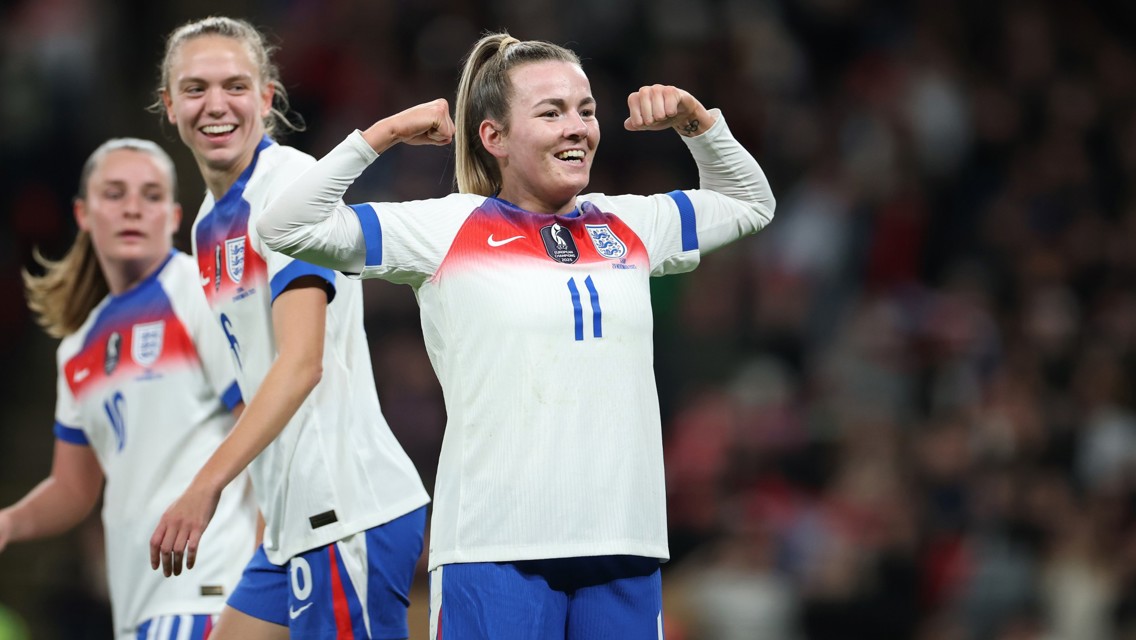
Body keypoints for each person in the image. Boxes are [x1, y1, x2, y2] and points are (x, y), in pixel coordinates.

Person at [257, 32, 776, 640]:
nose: (576, 127)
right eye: (551, 113)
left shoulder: (630, 224)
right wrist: (384, 134)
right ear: (494, 137)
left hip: (624, 544)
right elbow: (285, 226)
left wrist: (696, 122)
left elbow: (751, 203)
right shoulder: (446, 229)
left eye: (585, 110)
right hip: (494, 549)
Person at [146, 16, 430, 640]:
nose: (215, 104)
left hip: (346, 509)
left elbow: (302, 363)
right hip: (291, 524)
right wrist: (264, 510)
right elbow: (256, 380)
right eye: (194, 89)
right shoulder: (206, 224)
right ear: (169, 105)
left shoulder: (291, 189)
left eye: (234, 86)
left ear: (267, 95)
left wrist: (204, 487)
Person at [0, 137, 259, 640]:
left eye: (151, 195)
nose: (133, 208)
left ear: (174, 216)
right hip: (137, 602)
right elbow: (73, 488)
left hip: (209, 592)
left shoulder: (198, 293)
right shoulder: (76, 347)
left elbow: (264, 427)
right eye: (115, 193)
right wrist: (9, 522)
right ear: (82, 213)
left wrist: (265, 570)